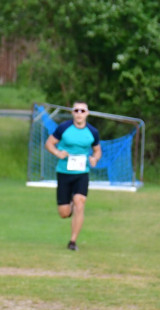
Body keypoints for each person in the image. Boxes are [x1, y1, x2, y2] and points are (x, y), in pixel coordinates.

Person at [44, 101, 102, 251]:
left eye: (83, 111)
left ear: (87, 113)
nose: (79, 114)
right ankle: (68, 203)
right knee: (64, 213)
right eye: (76, 110)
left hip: (82, 173)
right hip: (64, 172)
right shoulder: (64, 128)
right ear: (72, 113)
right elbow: (49, 143)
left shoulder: (92, 132)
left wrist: (95, 159)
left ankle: (73, 241)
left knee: (80, 202)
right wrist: (58, 153)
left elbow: (97, 150)